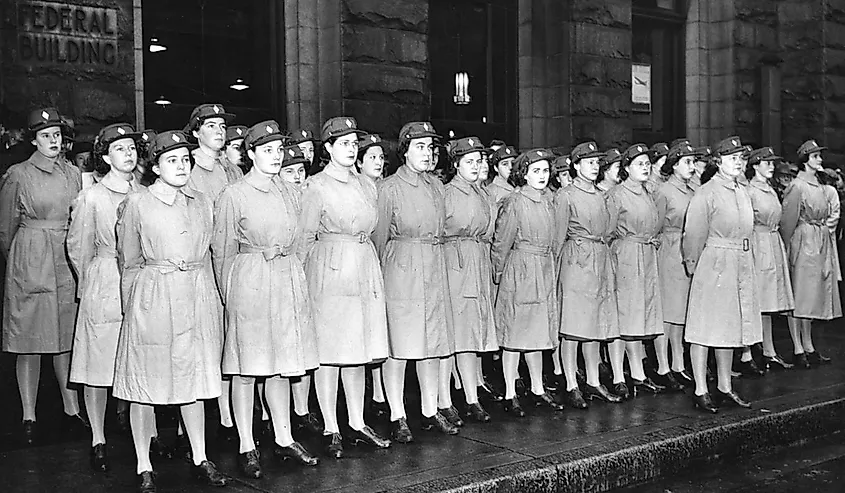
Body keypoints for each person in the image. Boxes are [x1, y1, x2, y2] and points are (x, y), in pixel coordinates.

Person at [113, 130, 230, 491]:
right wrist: (135, 307)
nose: (180, 166)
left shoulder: (201, 203)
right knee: (144, 383)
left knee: (193, 381)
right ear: (156, 165)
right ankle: (144, 464)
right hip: (154, 297)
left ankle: (200, 456)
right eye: (171, 160)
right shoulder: (138, 204)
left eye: (184, 159)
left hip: (195, 294)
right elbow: (129, 261)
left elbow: (210, 255)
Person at [212, 121, 320, 478]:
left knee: (281, 364)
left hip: (285, 278)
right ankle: (246, 444)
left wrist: (295, 276)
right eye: (267, 150)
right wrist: (231, 293)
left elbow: (302, 238)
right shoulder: (235, 194)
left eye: (278, 150)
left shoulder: (291, 192)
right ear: (251, 154)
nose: (275, 157)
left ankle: (284, 437)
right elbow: (223, 250)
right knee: (246, 367)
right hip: (251, 279)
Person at [299, 117, 392, 457]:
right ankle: (330, 426)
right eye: (344, 144)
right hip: (330, 268)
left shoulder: (366, 185)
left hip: (363, 264)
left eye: (355, 144)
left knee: (358, 350)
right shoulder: (316, 186)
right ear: (327, 149)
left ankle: (356, 421)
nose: (352, 149)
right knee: (330, 352)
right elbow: (305, 237)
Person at [0, 107, 86, 445]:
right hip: (32, 258)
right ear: (33, 139)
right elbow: (5, 230)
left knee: (65, 337)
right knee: (30, 340)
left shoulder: (73, 173)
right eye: (46, 135)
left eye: (57, 135)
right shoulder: (18, 174)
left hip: (65, 257)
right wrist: (21, 262)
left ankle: (71, 409)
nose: (53, 140)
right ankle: (28, 415)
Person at [373, 121, 458, 441]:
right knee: (400, 346)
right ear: (404, 151)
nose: (426, 153)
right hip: (402, 270)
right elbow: (379, 238)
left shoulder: (437, 187)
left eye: (430, 147)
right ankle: (397, 415)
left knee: (432, 346)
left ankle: (429, 409)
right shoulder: (390, 188)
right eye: (419, 147)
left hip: (434, 268)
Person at [67, 123, 141, 472]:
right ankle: (98, 436)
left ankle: (147, 432)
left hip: (139, 282)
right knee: (97, 363)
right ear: (105, 156)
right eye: (120, 149)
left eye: (132, 148)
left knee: (141, 358)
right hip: (105, 279)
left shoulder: (145, 193)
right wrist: (93, 283)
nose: (129, 154)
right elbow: (78, 248)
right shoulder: (92, 197)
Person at [683, 136, 762, 414]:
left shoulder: (742, 190)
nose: (738, 162)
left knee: (731, 327)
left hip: (740, 262)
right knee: (704, 328)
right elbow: (693, 235)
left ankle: (725, 386)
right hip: (714, 263)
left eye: (741, 157)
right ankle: (701, 389)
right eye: (732, 158)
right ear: (718, 162)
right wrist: (695, 267)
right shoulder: (707, 192)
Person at [491, 148, 563, 417]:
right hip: (520, 270)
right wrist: (498, 276)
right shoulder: (515, 201)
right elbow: (501, 242)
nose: (542, 176)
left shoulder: (548, 201)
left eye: (545, 171)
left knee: (537, 332)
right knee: (514, 334)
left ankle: (537, 388)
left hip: (542, 268)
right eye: (536, 171)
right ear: (524, 174)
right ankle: (510, 392)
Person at [185, 103, 242, 442]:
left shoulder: (232, 170)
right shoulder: (188, 167)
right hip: (202, 261)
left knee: (227, 337)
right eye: (211, 125)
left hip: (231, 257)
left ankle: (226, 416)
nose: (220, 130)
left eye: (222, 124)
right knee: (201, 340)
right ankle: (188, 423)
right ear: (195, 132)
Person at [555, 141, 621, 406]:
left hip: (600, 259)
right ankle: (571, 383)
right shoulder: (566, 196)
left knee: (595, 324)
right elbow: (558, 238)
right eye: (588, 162)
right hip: (576, 261)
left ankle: (593, 381)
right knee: (572, 327)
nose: (594, 167)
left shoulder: (603, 196)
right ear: (575, 165)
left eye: (596, 162)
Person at [442, 137, 499, 423]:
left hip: (477, 262)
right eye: (469, 162)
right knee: (457, 334)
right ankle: (451, 398)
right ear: (455, 165)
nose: (476, 167)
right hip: (455, 265)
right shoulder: (447, 193)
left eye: (479, 161)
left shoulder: (483, 194)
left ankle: (469, 393)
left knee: (472, 334)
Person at [271, 144, 323, 439]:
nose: (295, 177)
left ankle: (302, 410)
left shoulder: (309, 196)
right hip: (288, 274)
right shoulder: (279, 200)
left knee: (304, 347)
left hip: (312, 273)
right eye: (288, 171)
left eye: (300, 171)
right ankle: (274, 416)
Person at [607, 144, 666, 397]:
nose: (645, 168)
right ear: (626, 168)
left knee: (639, 317)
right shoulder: (617, 195)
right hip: (626, 258)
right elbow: (607, 231)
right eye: (639, 164)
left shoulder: (648, 193)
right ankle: (619, 376)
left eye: (647, 163)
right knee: (622, 318)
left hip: (645, 257)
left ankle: (638, 373)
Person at [781, 140, 842, 368]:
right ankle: (797, 347)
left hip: (818, 239)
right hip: (803, 240)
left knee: (811, 297)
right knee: (799, 296)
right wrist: (787, 247)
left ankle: (808, 345)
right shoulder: (797, 186)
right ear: (805, 159)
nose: (820, 160)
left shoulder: (818, 185)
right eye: (815, 157)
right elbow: (788, 220)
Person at [740, 147, 796, 373]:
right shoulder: (749, 190)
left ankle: (768, 350)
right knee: (757, 300)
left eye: (772, 162)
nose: (771, 166)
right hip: (757, 244)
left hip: (771, 243)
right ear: (754, 166)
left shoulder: (770, 189)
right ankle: (747, 353)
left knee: (769, 302)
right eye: (766, 162)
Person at [653, 142, 697, 390]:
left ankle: (678, 363)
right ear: (674, 165)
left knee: (680, 313)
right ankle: (662, 366)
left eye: (693, 162)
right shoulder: (664, 191)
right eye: (687, 162)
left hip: (687, 249)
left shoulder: (692, 191)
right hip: (669, 250)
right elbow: (655, 225)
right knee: (667, 312)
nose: (691, 167)